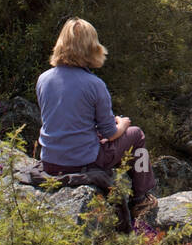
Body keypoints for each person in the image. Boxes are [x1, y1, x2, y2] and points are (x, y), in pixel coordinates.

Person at [36, 17, 157, 222]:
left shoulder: (44, 78)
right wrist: (123, 124)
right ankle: (141, 197)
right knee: (137, 135)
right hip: (82, 162)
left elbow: (65, 119)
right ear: (92, 47)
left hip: (49, 161)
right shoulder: (94, 84)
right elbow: (111, 133)